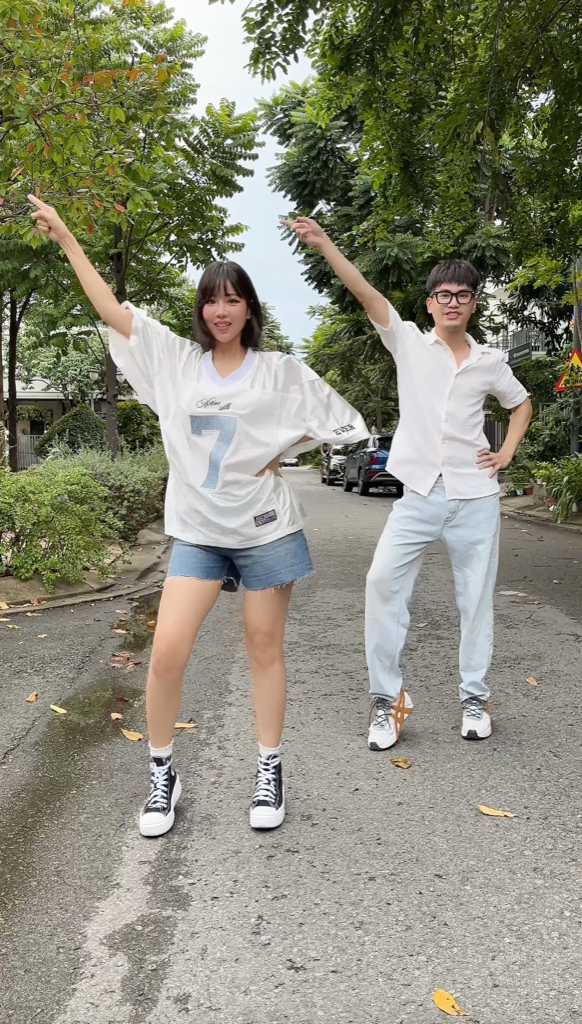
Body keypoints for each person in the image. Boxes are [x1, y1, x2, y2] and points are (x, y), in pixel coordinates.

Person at [29, 195, 369, 835]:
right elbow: (111, 310)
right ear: (201, 309)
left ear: (250, 309)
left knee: (263, 648)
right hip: (199, 533)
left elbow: (345, 422)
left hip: (266, 530)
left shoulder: (279, 372)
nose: (221, 310)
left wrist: (287, 451)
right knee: (166, 653)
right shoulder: (175, 363)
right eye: (211, 300)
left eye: (233, 299)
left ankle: (268, 769)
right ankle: (163, 774)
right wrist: (69, 239)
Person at [283, 216, 532, 750]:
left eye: (462, 295)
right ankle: (387, 699)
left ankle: (474, 697)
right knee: (381, 583)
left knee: (476, 600)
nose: (452, 302)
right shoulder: (409, 344)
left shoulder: (490, 361)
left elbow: (521, 404)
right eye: (443, 294)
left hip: (476, 498)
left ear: (473, 303)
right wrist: (325, 245)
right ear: (430, 303)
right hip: (418, 493)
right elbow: (366, 293)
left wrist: (506, 451)